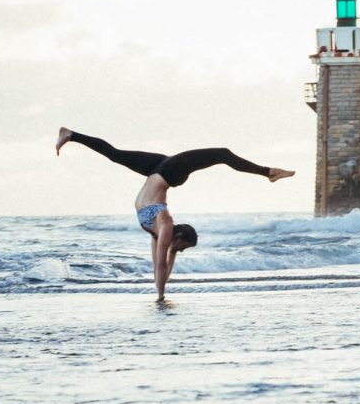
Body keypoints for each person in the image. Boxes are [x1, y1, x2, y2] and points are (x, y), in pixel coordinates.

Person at [55, 127, 294, 301]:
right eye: (183, 247)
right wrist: (160, 296)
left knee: (116, 155)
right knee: (222, 153)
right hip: (169, 172)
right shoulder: (165, 224)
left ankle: (72, 135)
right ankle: (269, 172)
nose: (180, 251)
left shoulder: (157, 233)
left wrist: (161, 288)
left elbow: (159, 266)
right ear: (178, 238)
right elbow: (161, 264)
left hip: (156, 171)